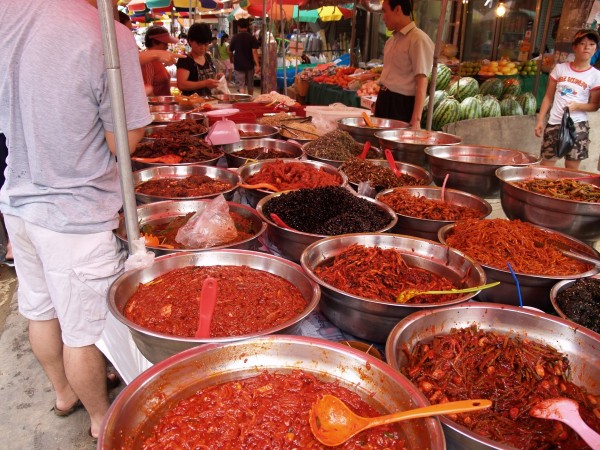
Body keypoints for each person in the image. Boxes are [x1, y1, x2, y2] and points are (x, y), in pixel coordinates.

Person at [0, 0, 151, 440]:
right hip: (75, 214)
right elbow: (123, 141)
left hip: (17, 201)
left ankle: (64, 393)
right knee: (83, 331)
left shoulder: (9, 12)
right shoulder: (106, 31)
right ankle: (101, 418)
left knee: (40, 309)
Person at [535, 29, 600, 169]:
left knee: (572, 170)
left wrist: (577, 106)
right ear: (574, 47)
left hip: (577, 126)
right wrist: (540, 120)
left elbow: (595, 105)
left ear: (596, 49)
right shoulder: (560, 69)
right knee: (546, 168)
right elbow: (548, 96)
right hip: (554, 124)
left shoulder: (595, 75)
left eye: (591, 44)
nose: (587, 47)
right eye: (582, 43)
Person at [374, 0, 434, 129]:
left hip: (401, 105)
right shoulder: (391, 41)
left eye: (385, 11)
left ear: (397, 10)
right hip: (384, 99)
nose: (383, 17)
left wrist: (416, 120)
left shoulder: (418, 39)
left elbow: (422, 81)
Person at [176, 23, 220, 96]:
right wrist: (205, 83)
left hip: (209, 99)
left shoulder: (207, 57)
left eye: (206, 44)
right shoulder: (185, 59)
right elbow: (181, 84)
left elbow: (210, 79)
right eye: (199, 44)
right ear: (190, 41)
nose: (203, 48)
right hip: (190, 101)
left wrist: (217, 78)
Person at [141, 26, 179, 96]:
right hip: (157, 103)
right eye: (165, 44)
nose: (167, 47)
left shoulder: (156, 59)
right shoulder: (147, 62)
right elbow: (148, 93)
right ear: (154, 42)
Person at [229, 18, 260, 95]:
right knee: (250, 85)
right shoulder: (252, 37)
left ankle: (243, 100)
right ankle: (250, 100)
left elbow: (230, 51)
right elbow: (254, 52)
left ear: (238, 26)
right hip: (250, 65)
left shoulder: (235, 37)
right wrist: (257, 65)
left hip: (238, 64)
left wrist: (231, 59)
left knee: (241, 85)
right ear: (247, 26)